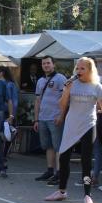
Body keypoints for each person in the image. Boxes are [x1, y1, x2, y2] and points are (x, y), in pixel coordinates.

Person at [45, 57, 102, 203]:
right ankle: (61, 191)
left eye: (83, 68)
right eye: (78, 68)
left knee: (86, 160)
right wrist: (67, 91)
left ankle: (87, 195)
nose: (79, 71)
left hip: (88, 124)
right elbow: (62, 104)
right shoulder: (72, 84)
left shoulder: (96, 86)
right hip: (71, 124)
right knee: (63, 157)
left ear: (90, 70)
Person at [33, 56, 67, 185]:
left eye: (48, 63)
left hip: (55, 118)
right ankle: (49, 170)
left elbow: (65, 98)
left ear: (53, 64)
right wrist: (36, 119)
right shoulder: (40, 80)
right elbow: (37, 101)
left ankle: (59, 173)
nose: (46, 65)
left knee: (58, 146)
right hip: (42, 118)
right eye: (44, 63)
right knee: (48, 146)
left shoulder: (60, 78)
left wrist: (61, 115)